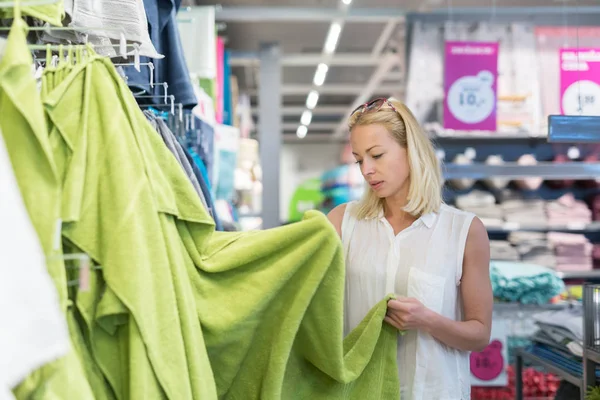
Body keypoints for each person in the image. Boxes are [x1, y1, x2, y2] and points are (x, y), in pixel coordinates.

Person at [327, 97, 493, 400]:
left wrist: (427, 320)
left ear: (411, 150)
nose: (367, 170)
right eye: (359, 159)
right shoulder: (342, 222)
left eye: (376, 155)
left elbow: (480, 335)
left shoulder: (463, 231)